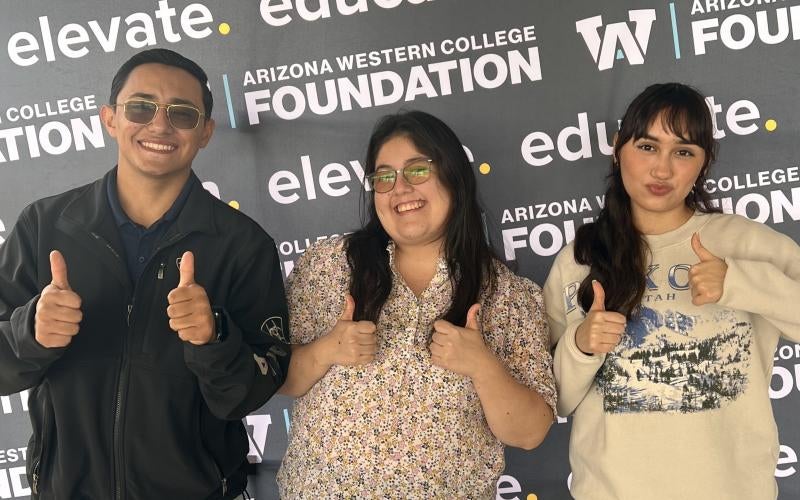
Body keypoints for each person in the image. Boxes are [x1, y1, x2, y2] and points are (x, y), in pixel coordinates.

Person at [0, 49, 290, 499]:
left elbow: (246, 395)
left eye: (183, 113)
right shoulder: (45, 226)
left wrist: (213, 339)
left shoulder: (244, 246)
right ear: (110, 119)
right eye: (140, 107)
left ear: (206, 133)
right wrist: (32, 332)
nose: (160, 125)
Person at [275, 110, 556, 497]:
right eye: (384, 176)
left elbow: (529, 432)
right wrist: (326, 350)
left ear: (453, 176)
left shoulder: (508, 294)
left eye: (418, 170)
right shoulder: (327, 265)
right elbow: (279, 380)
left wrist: (481, 365)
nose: (400, 188)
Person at [543, 82, 800, 499]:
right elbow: (553, 401)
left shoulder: (747, 243)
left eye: (683, 152)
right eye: (647, 147)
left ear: (703, 162)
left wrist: (739, 283)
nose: (662, 169)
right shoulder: (580, 258)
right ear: (617, 148)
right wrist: (581, 345)